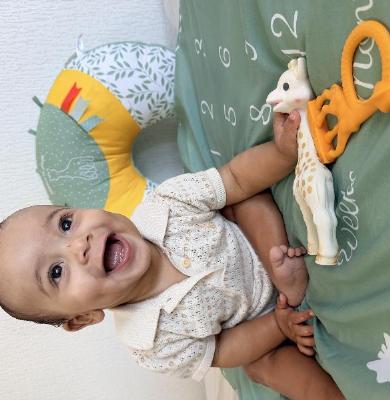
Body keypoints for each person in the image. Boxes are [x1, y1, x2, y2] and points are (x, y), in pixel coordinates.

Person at [0, 111, 343, 399]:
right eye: (56, 272)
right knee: (263, 366)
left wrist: (282, 152)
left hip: (255, 244)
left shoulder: (167, 205)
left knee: (247, 201)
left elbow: (236, 178)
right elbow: (221, 349)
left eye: (65, 223)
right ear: (82, 318)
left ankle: (284, 274)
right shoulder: (149, 344)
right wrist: (276, 325)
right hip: (255, 320)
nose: (79, 245)